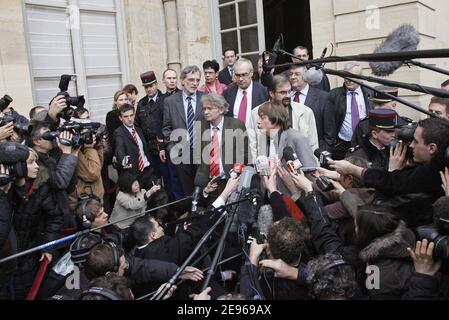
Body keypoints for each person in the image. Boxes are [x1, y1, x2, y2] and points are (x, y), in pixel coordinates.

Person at [11, 148, 63, 299]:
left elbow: (55, 217)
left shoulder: (41, 186)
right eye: (31, 163)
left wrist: (48, 246)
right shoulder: (6, 189)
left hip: (29, 254)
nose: (37, 166)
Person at [249, 74, 318, 162]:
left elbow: (313, 144)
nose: (287, 96)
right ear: (271, 93)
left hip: (298, 168)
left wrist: (313, 168)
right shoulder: (256, 113)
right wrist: (258, 169)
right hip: (267, 168)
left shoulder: (305, 112)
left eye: (289, 91)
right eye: (283, 92)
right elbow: (253, 145)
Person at [194, 93, 248, 198]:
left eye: (209, 108)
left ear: (221, 109)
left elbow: (244, 154)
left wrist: (235, 174)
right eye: (204, 108)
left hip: (230, 180)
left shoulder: (236, 125)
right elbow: (198, 156)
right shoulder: (201, 126)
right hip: (209, 183)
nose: (205, 112)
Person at [162, 65, 204, 196]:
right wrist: (172, 148)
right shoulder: (170, 101)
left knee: (203, 191)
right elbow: (166, 128)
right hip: (181, 154)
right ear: (182, 80)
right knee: (186, 192)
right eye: (191, 80)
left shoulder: (206, 98)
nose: (195, 83)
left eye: (197, 80)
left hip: (203, 154)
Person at [323, 62, 372, 159]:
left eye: (352, 76)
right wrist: (330, 146)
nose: (349, 80)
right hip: (342, 146)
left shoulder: (370, 93)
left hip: (365, 144)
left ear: (361, 78)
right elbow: (329, 123)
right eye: (346, 76)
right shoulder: (334, 94)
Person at [114, 104, 156, 190]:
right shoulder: (119, 133)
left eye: (131, 115)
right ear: (120, 118)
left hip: (148, 170)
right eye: (126, 116)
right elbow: (119, 149)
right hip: (135, 175)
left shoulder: (138, 129)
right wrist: (123, 160)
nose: (129, 119)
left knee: (155, 199)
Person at [288, 64, 330, 149]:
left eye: (297, 74)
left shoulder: (323, 97)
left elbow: (329, 132)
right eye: (291, 74)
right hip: (290, 150)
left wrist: (322, 152)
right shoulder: (285, 97)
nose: (292, 77)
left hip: (314, 149)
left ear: (306, 76)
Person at [223, 58, 269, 128]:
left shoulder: (263, 92)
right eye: (237, 75)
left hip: (257, 135)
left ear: (251, 73)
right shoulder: (228, 93)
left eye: (244, 74)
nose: (240, 79)